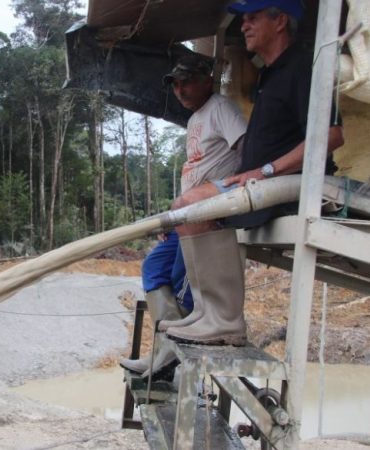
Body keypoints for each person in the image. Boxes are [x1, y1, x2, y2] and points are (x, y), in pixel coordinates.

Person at [160, 0, 345, 346]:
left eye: (253, 17)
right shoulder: (270, 73)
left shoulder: (305, 66)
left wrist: (266, 169)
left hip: (295, 183)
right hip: (265, 179)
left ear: (280, 22)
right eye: (243, 18)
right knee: (184, 207)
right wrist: (245, 174)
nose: (244, 25)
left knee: (193, 206)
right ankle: (206, 312)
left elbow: (331, 136)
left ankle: (225, 320)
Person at [119, 54, 247, 377]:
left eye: (186, 81)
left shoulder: (221, 108)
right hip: (185, 218)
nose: (180, 90)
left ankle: (173, 357)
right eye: (175, 84)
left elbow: (246, 147)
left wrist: (230, 194)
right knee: (153, 268)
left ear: (208, 79)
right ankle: (164, 351)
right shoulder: (194, 120)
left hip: (206, 218)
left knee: (181, 283)